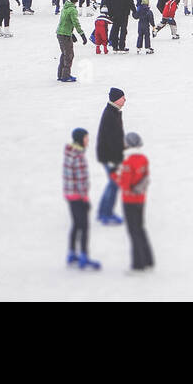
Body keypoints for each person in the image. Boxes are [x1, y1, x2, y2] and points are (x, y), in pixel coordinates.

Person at [114, 132, 154, 272]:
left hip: (129, 200)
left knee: (133, 231)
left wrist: (114, 175)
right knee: (141, 228)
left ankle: (138, 264)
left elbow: (124, 184)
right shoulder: (143, 159)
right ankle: (148, 259)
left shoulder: (127, 162)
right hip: (141, 199)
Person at [63, 128, 101, 270]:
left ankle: (72, 253)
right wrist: (85, 199)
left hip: (69, 194)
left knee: (75, 224)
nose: (88, 141)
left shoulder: (69, 152)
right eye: (86, 138)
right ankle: (84, 256)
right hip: (78, 196)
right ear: (80, 140)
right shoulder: (78, 157)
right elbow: (81, 181)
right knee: (84, 227)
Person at [96, 88, 126, 226]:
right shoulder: (110, 115)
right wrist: (116, 161)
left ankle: (103, 211)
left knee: (112, 184)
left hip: (110, 156)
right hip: (110, 157)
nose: (125, 100)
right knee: (114, 185)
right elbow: (111, 140)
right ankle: (106, 214)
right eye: (122, 97)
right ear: (116, 99)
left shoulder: (113, 111)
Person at [56, 0, 85, 82]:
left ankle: (61, 74)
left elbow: (65, 22)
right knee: (69, 55)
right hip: (65, 35)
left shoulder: (65, 8)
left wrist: (71, 34)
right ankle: (65, 76)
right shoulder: (72, 10)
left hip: (60, 33)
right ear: (76, 1)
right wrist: (82, 34)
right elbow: (75, 23)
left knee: (64, 53)